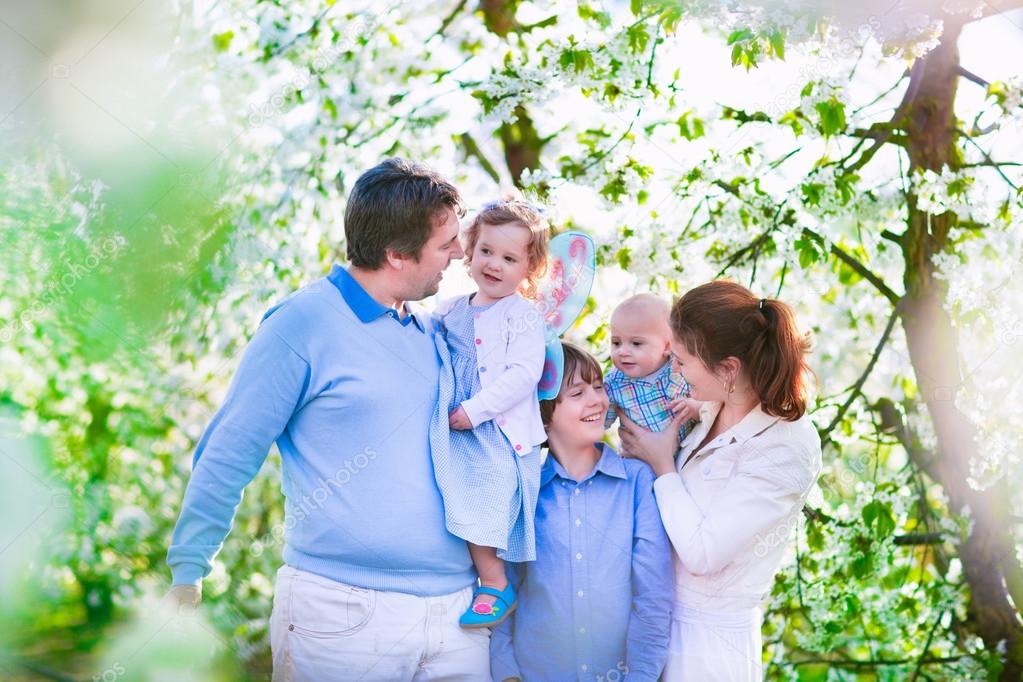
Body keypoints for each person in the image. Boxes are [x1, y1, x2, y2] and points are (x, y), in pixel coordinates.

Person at [166, 158, 492, 680]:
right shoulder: (301, 325)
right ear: (396, 255)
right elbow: (231, 449)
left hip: (457, 615)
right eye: (446, 243)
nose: (460, 254)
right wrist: (189, 565)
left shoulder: (434, 332)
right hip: (343, 615)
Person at [618, 280, 823, 681]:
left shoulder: (786, 446)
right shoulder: (713, 407)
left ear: (728, 368)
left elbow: (703, 554)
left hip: (706, 649)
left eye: (681, 361)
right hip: (657, 621)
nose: (673, 372)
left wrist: (663, 467)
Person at [490, 342, 673, 681]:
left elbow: (654, 597)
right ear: (544, 416)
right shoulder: (524, 493)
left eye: (599, 387)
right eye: (577, 393)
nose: (598, 400)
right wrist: (507, 675)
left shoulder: (636, 483)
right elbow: (503, 592)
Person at [428, 199, 550, 628]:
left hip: (496, 432)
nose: (494, 264)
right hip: (457, 427)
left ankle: (495, 583)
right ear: (469, 251)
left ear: (529, 269)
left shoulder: (522, 316)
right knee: (447, 492)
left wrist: (475, 410)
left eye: (509, 258)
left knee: (483, 493)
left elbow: (523, 374)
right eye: (486, 252)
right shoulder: (450, 309)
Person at [604, 293, 698, 443]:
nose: (622, 351)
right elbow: (600, 422)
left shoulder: (680, 369)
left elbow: (709, 406)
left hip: (689, 452)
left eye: (636, 343)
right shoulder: (613, 384)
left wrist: (696, 408)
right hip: (640, 460)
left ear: (667, 346)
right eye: (616, 343)